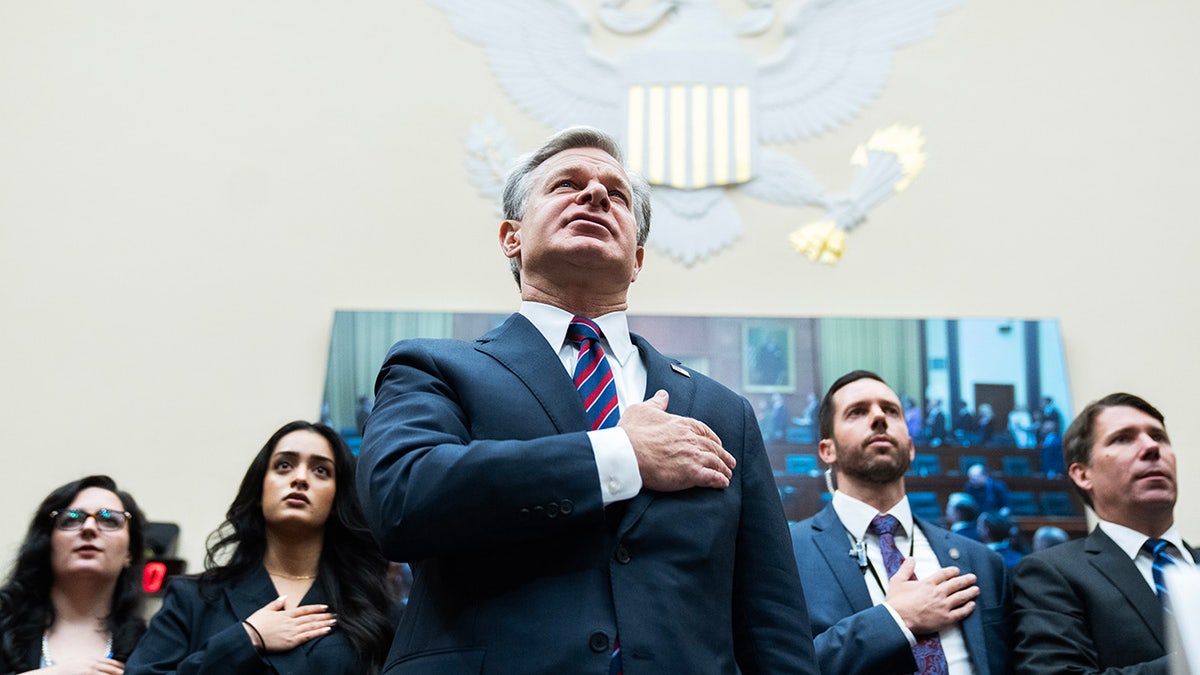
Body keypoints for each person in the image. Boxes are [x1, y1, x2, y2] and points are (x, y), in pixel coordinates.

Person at [357, 126, 818, 674]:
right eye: (566, 184)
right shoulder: (436, 368)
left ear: (639, 258)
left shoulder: (722, 411)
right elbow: (400, 500)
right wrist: (619, 455)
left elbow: (772, 622)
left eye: (616, 195)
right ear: (512, 236)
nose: (596, 195)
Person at [127, 421, 394, 675]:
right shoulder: (193, 598)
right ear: (259, 490)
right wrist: (246, 638)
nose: (300, 478)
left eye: (321, 470)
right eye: (284, 465)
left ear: (337, 499)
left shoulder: (375, 608)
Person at [790, 370, 1010, 675]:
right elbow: (777, 665)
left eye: (891, 411)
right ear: (828, 450)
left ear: (911, 446)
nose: (879, 418)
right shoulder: (788, 554)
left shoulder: (981, 561)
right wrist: (894, 620)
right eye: (857, 412)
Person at [1012, 392, 1197, 673]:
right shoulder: (1052, 574)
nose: (1151, 447)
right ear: (1082, 474)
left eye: (1159, 437)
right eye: (1123, 438)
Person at [0, 475, 147, 673]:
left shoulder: (149, 646)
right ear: (47, 543)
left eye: (110, 520)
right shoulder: (4, 623)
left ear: (129, 552)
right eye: (71, 519)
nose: (89, 528)